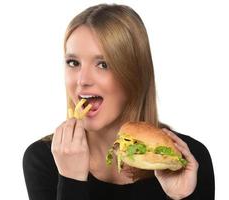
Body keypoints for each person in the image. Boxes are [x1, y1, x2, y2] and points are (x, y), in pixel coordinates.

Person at [23, 4, 214, 200]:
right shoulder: (43, 158)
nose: (82, 80)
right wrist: (71, 180)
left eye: (103, 64)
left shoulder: (187, 161)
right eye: (73, 62)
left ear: (134, 74)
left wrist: (181, 196)